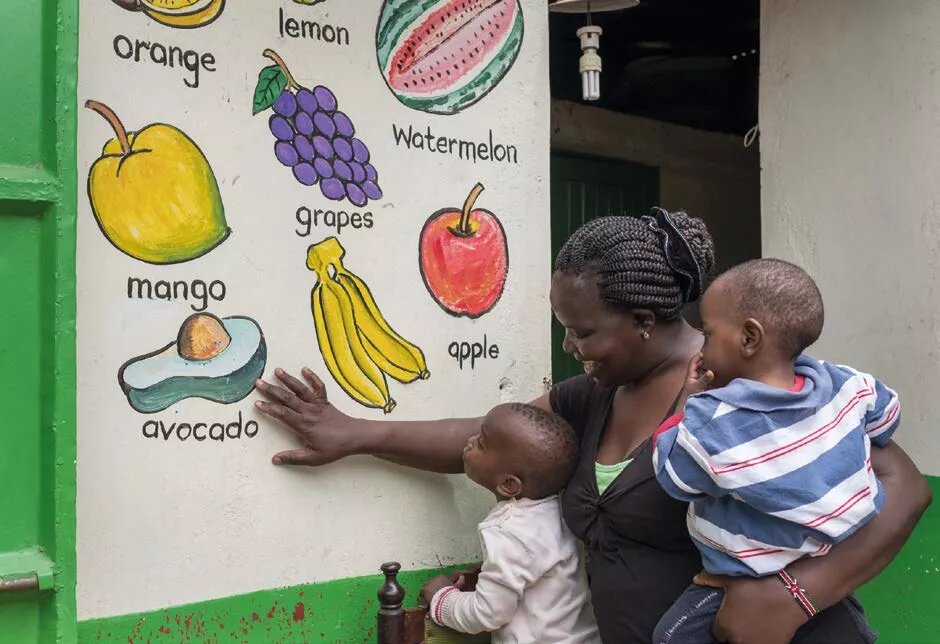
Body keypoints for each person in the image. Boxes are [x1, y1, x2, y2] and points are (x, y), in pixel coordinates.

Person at [254, 208, 932, 643]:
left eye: (583, 332)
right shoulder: (592, 399)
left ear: (642, 322)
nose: (571, 349)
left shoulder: (741, 385)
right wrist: (356, 435)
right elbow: (489, 441)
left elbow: (904, 485)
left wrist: (796, 596)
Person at [651, 259, 900, 644]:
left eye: (708, 334)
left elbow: (672, 474)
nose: (702, 346)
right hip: (825, 574)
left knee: (670, 636)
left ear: (749, 338)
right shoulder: (845, 384)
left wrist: (687, 400)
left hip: (738, 582)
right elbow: (885, 417)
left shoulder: (716, 422)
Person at [416, 403, 600, 643]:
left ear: (509, 485)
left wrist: (441, 597)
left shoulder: (510, 532)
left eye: (481, 442)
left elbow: (486, 614)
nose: (470, 440)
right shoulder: (563, 511)